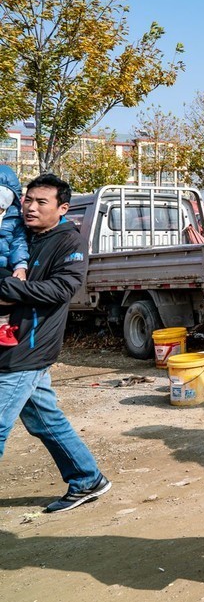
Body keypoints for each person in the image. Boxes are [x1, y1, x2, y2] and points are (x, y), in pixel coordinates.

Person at [0, 174, 110, 514]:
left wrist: (8, 289)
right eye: (28, 200)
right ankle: (88, 478)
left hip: (30, 348)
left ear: (62, 208)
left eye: (40, 202)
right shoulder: (23, 236)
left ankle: (87, 478)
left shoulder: (69, 242)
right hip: (11, 343)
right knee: (44, 419)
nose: (30, 207)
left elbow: (61, 291)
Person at [0, 165, 30, 339]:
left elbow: (18, 243)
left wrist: (20, 265)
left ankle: (3, 326)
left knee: (12, 288)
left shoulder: (14, 218)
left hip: (4, 265)